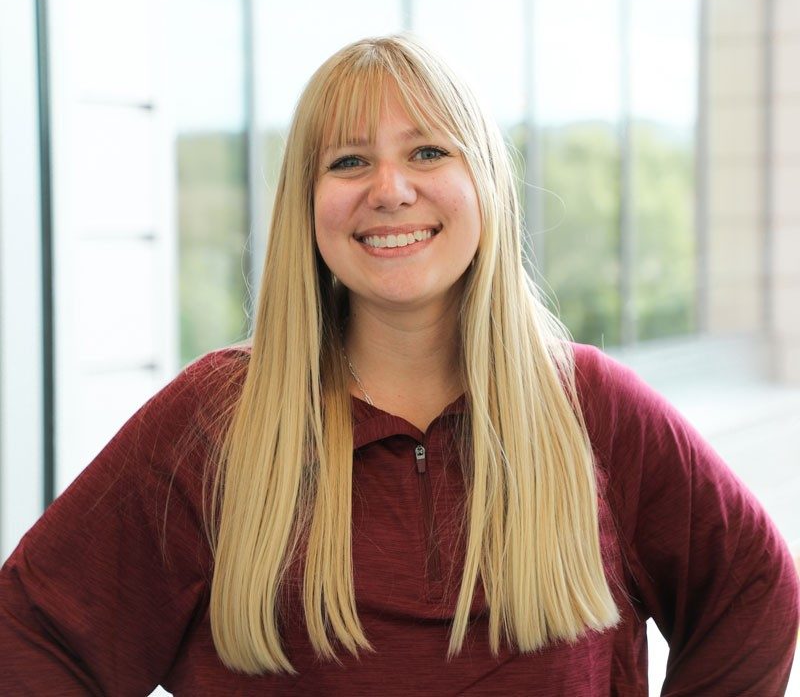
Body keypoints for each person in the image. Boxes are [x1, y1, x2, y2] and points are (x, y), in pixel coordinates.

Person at [1, 34, 798, 696]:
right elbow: (32, 635)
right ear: (306, 203)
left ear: (484, 181)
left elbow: (755, 596)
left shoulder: (592, 406)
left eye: (426, 150)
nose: (390, 190)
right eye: (348, 161)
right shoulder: (216, 421)